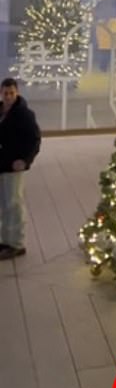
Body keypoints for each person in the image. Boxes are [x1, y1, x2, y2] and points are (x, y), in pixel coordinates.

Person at [0, 77, 41, 260]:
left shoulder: (24, 115)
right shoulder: (0, 111)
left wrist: (25, 160)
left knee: (14, 203)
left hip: (13, 166)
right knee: (3, 204)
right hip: (0, 164)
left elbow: (34, 140)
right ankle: (5, 240)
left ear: (17, 93)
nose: (8, 96)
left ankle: (17, 243)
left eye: (11, 93)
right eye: (5, 93)